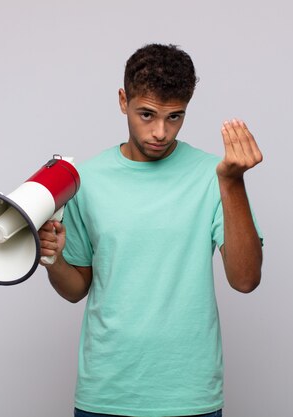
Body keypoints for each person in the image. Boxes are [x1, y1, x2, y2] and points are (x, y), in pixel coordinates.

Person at [39, 43, 263, 417]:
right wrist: (53, 258)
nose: (161, 131)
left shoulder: (215, 176)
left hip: (188, 392)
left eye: (175, 117)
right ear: (123, 100)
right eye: (147, 114)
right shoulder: (86, 180)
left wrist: (233, 182)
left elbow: (245, 279)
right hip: (106, 390)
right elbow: (76, 289)